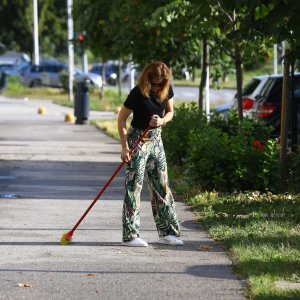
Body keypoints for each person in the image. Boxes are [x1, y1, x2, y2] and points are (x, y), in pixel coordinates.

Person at [118, 61, 183, 247]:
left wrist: (162, 121)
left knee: (162, 185)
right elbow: (121, 119)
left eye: (160, 83)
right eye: (154, 83)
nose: (157, 87)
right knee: (134, 186)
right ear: (147, 79)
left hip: (156, 140)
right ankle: (130, 235)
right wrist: (124, 147)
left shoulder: (166, 89)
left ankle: (167, 232)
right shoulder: (137, 93)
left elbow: (170, 112)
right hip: (137, 140)